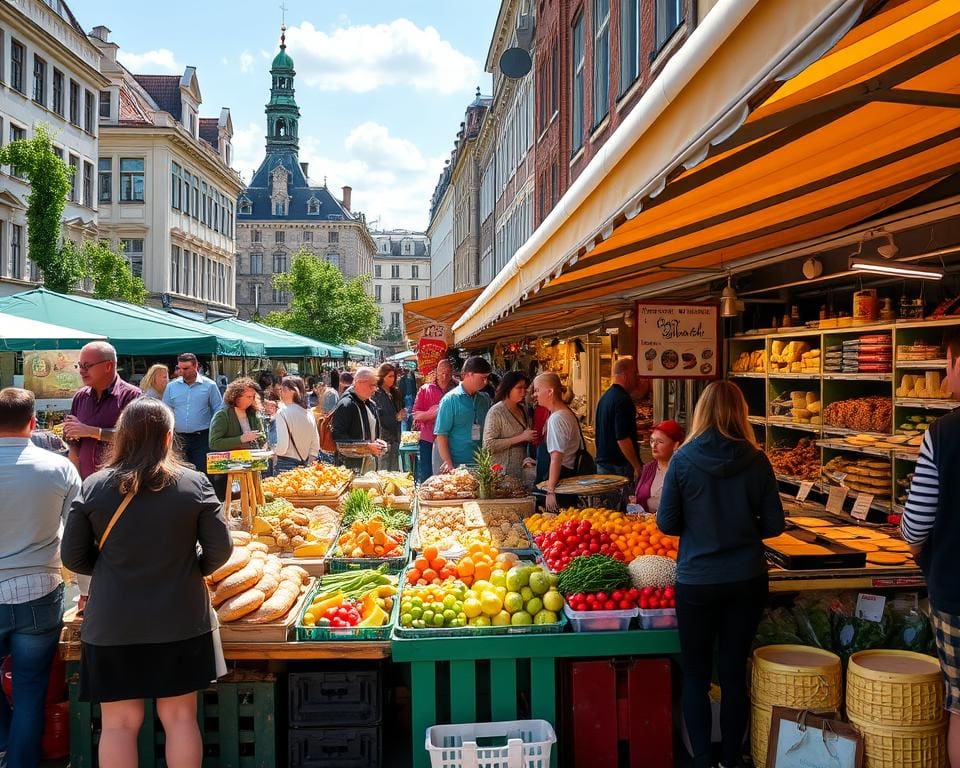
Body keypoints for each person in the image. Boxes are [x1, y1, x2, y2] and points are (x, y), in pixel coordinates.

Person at [61, 398, 231, 768]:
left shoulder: (93, 486)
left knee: (119, 725)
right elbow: (220, 549)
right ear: (169, 437)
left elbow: (73, 557)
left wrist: (110, 572)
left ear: (121, 438)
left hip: (112, 623)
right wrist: (190, 569)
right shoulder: (194, 484)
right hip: (180, 619)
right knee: (181, 719)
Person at [657, 380, 784, 768]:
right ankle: (731, 757)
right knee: (733, 673)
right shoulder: (757, 460)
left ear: (700, 412)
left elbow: (666, 522)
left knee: (695, 674)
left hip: (697, 579)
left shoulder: (683, 459)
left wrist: (701, 527)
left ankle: (700, 761)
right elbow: (775, 525)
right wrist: (742, 527)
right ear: (741, 413)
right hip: (746, 578)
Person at [0, 388, 81, 768]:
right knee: (31, 690)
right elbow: (78, 537)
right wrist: (85, 591)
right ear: (33, 423)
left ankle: (4, 737)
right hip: (39, 589)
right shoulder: (60, 467)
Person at [901, 327, 960, 768]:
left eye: (948, 365)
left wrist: (917, 548)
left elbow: (916, 524)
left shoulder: (944, 433)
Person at [62, 341, 141, 610]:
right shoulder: (80, 396)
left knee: (119, 544)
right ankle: (90, 596)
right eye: (79, 365)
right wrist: (73, 449)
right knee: (89, 542)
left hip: (119, 486)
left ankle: (123, 598)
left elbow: (136, 437)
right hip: (86, 484)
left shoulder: (131, 397)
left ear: (108, 366)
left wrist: (92, 431)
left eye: (87, 365)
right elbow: (72, 430)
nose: (82, 371)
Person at [533, 373, 585, 512]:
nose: (534, 394)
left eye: (537, 390)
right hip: (561, 482)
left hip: (559, 485)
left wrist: (550, 492)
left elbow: (556, 457)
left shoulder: (558, 418)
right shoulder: (564, 413)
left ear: (550, 391)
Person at [162, 353, 223, 472]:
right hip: (178, 438)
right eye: (179, 368)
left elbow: (218, 410)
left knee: (201, 472)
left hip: (202, 438)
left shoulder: (210, 385)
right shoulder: (171, 387)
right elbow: (166, 411)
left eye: (186, 368)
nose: (182, 372)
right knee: (178, 473)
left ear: (196, 367)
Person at [434, 356, 493, 473]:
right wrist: (449, 463)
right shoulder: (450, 400)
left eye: (487, 378)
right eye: (483, 377)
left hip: (481, 464)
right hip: (458, 466)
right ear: (469, 374)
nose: (485, 382)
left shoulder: (485, 399)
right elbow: (441, 435)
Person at [482, 371, 538, 481]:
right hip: (501, 473)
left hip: (521, 472)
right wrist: (521, 437)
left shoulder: (524, 409)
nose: (523, 392)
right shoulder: (496, 412)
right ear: (508, 388)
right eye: (519, 388)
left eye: (525, 388)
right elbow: (488, 445)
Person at [329, 367, 386, 473]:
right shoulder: (346, 404)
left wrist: (378, 444)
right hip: (350, 468)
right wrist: (367, 446)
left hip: (369, 464)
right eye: (372, 385)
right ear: (359, 383)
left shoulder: (370, 404)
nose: (374, 389)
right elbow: (339, 439)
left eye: (375, 385)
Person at [594, 357, 642, 483]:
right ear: (626, 375)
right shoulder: (623, 400)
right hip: (618, 467)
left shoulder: (605, 397)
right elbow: (623, 438)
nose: (638, 378)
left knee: (608, 502)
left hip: (604, 464)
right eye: (635, 373)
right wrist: (637, 466)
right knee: (623, 502)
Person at [412, 360, 455, 483]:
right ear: (436, 372)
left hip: (451, 439)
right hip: (428, 439)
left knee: (450, 474)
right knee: (427, 473)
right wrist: (429, 414)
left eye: (447, 373)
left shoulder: (457, 389)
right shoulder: (425, 389)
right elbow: (415, 414)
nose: (444, 377)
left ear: (452, 373)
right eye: (441, 373)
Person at [635, 420, 685, 514]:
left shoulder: (683, 471)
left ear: (675, 445)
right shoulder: (648, 468)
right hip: (645, 525)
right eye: (652, 441)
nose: (654, 445)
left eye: (660, 442)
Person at [274, 376, 320, 472]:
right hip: (306, 463)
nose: (280, 392)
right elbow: (315, 446)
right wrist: (308, 464)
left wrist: (272, 452)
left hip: (285, 464)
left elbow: (282, 448)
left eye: (282, 389)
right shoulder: (308, 413)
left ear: (292, 391)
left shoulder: (282, 413)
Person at [208, 378, 265, 452]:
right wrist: (241, 439)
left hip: (252, 458)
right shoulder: (222, 416)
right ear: (236, 397)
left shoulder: (253, 413)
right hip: (231, 461)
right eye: (248, 397)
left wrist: (260, 438)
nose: (252, 400)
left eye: (253, 396)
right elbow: (214, 444)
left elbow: (262, 436)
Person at [372, 364, 406, 471]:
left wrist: (402, 413)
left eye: (394, 376)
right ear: (382, 377)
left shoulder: (395, 392)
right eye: (389, 376)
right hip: (384, 439)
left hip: (395, 437)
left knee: (394, 471)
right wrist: (395, 417)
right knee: (383, 471)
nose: (393, 379)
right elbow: (378, 417)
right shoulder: (376, 394)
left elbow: (401, 408)